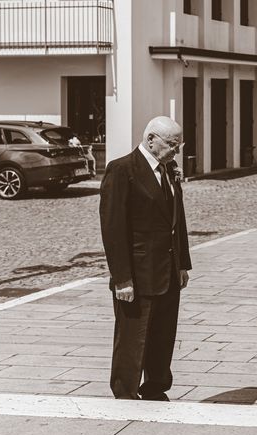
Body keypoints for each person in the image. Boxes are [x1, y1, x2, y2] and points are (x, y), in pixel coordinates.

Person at [99, 116, 192, 401]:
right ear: (151, 139)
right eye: (171, 144)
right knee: (132, 338)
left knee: (163, 336)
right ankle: (125, 390)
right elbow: (113, 229)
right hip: (137, 274)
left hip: (167, 270)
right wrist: (122, 278)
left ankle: (156, 386)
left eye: (179, 144)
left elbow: (178, 220)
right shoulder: (122, 170)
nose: (176, 150)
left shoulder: (169, 170)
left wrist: (182, 263)